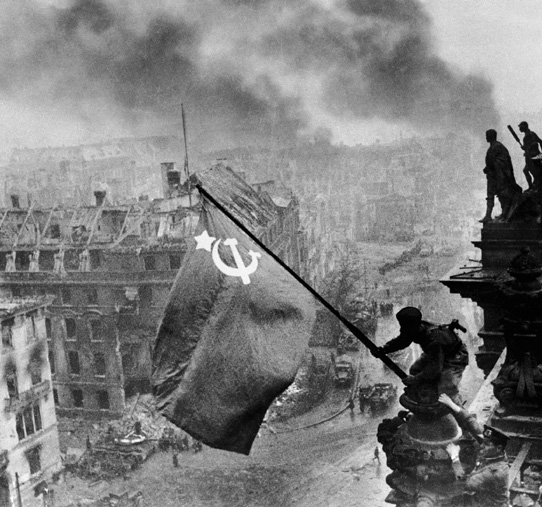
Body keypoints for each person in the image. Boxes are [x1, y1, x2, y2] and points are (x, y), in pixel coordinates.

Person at [373, 307, 468, 402]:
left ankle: (458, 410)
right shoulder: (414, 327)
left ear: (412, 326)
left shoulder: (433, 339)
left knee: (447, 388)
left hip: (454, 356)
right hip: (435, 352)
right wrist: (384, 349)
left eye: (404, 326)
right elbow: (403, 341)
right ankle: (427, 396)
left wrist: (414, 380)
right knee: (415, 369)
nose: (402, 329)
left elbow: (434, 369)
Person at [439, 394, 509, 507]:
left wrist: (455, 457)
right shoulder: (497, 451)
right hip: (481, 496)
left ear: (498, 448)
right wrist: (452, 405)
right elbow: (472, 423)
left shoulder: (495, 472)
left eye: (486, 444)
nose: (482, 446)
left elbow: (464, 483)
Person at [480, 129, 522, 223]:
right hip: (492, 175)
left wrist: (490, 167)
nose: (486, 137)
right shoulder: (492, 147)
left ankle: (504, 214)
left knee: (502, 194)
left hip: (500, 176)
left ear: (492, 136)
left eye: (487, 135)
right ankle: (488, 215)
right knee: (490, 195)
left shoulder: (498, 146)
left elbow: (501, 161)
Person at [518, 121, 542, 191]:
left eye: (520, 127)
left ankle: (534, 186)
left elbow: (537, 143)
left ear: (524, 126)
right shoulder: (527, 135)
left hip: (534, 157)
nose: (519, 128)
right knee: (527, 171)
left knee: (534, 171)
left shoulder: (530, 134)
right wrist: (525, 148)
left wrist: (527, 149)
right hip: (532, 157)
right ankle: (531, 186)